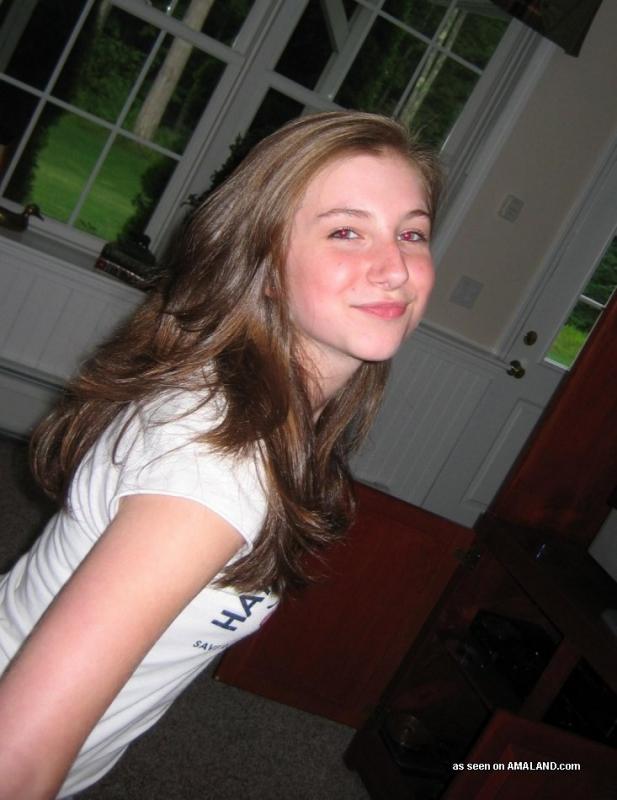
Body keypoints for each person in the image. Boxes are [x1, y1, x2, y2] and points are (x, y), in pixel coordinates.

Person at [0, 110, 442, 798]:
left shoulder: (262, 406)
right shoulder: (215, 469)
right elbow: (17, 759)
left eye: (410, 233)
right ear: (264, 268)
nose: (395, 270)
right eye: (345, 232)